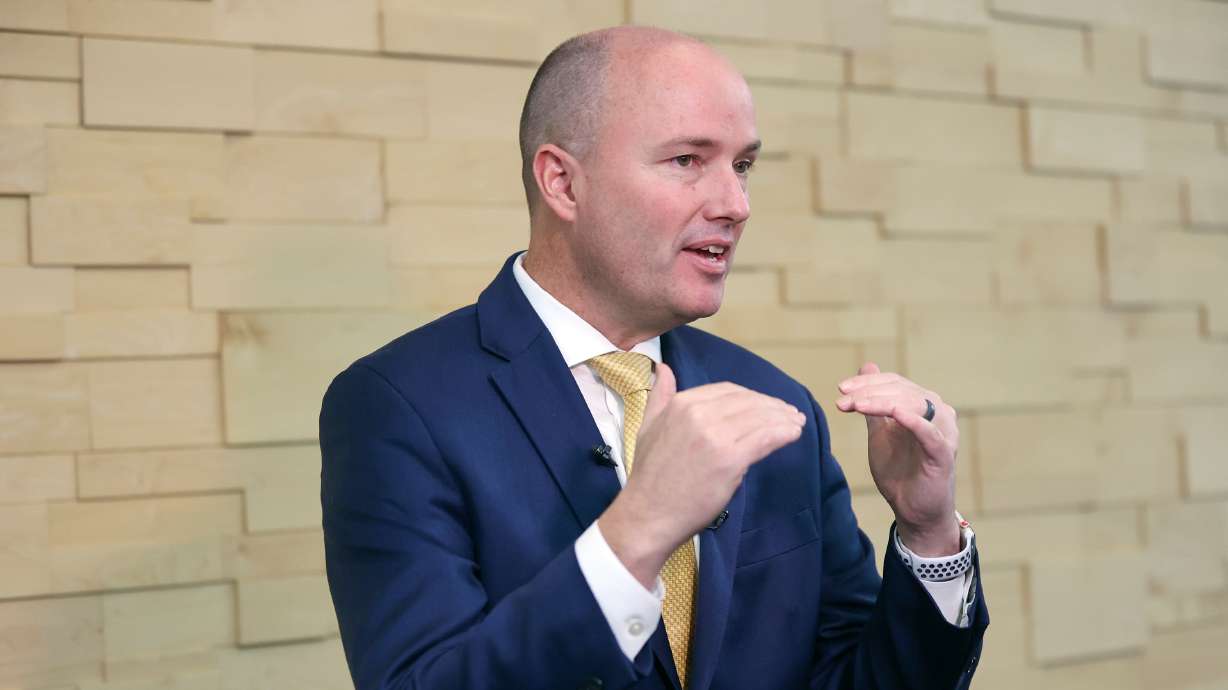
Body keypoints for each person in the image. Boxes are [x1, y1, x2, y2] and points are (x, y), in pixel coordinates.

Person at [319, 25, 988, 690]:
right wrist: (639, 532)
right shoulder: (396, 406)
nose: (735, 204)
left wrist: (928, 534)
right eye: (687, 161)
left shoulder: (777, 408)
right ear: (562, 183)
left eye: (743, 165)